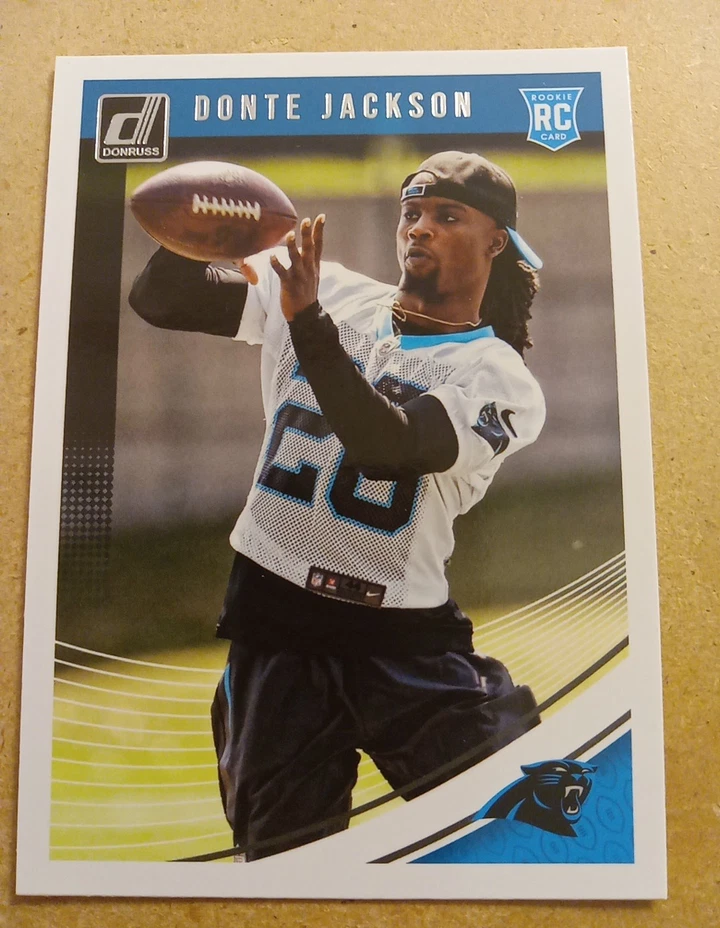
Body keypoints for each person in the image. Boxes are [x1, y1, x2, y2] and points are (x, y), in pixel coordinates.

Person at [129, 150, 547, 861]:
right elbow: (162, 299)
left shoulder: (498, 375)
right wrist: (205, 229)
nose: (420, 228)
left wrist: (308, 324)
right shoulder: (332, 291)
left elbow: (389, 445)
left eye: (448, 216)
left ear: (496, 243)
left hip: (401, 641)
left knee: (525, 830)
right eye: (412, 212)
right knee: (283, 865)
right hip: (276, 626)